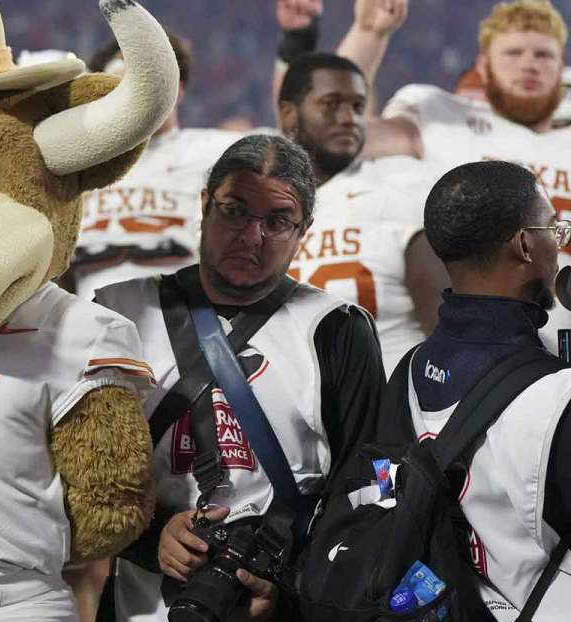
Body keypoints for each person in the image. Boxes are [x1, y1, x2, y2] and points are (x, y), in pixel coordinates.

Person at [91, 135, 385, 622]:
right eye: (234, 210)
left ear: (303, 235)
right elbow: (79, 473)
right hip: (138, 618)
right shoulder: (115, 313)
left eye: (278, 221)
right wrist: (151, 538)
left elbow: (367, 489)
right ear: (204, 204)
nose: (252, 235)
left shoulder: (336, 331)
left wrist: (291, 575)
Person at [408, 160, 571, 622]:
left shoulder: (407, 370)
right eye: (554, 231)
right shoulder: (556, 399)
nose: (558, 246)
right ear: (524, 245)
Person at [363, 0, 571, 352]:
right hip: (479, 348)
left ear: (560, 67)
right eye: (513, 52)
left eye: (542, 55)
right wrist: (368, 34)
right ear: (483, 66)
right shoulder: (444, 119)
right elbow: (349, 138)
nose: (528, 64)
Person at [278, 53, 447, 369]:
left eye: (357, 107)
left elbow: (446, 326)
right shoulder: (255, 205)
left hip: (393, 403)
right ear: (289, 114)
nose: (348, 118)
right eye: (331, 105)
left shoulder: (402, 185)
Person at [71, 30, 243, 300]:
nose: (136, 93)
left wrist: (296, 40)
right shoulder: (78, 166)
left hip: (186, 323)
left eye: (146, 78)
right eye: (123, 83)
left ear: (178, 88)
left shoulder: (218, 151)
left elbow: (300, 143)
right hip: (92, 327)